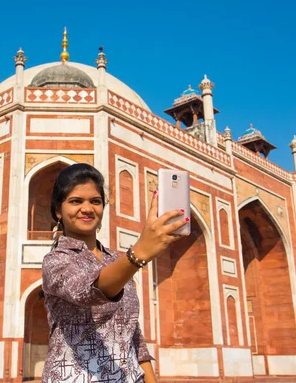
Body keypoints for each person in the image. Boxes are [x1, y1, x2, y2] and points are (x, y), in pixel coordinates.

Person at [41, 164, 189, 382]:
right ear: (58, 210)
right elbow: (88, 292)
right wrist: (139, 253)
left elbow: (132, 332)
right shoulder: (56, 261)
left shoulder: (117, 260)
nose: (87, 208)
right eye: (75, 201)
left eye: (95, 201)